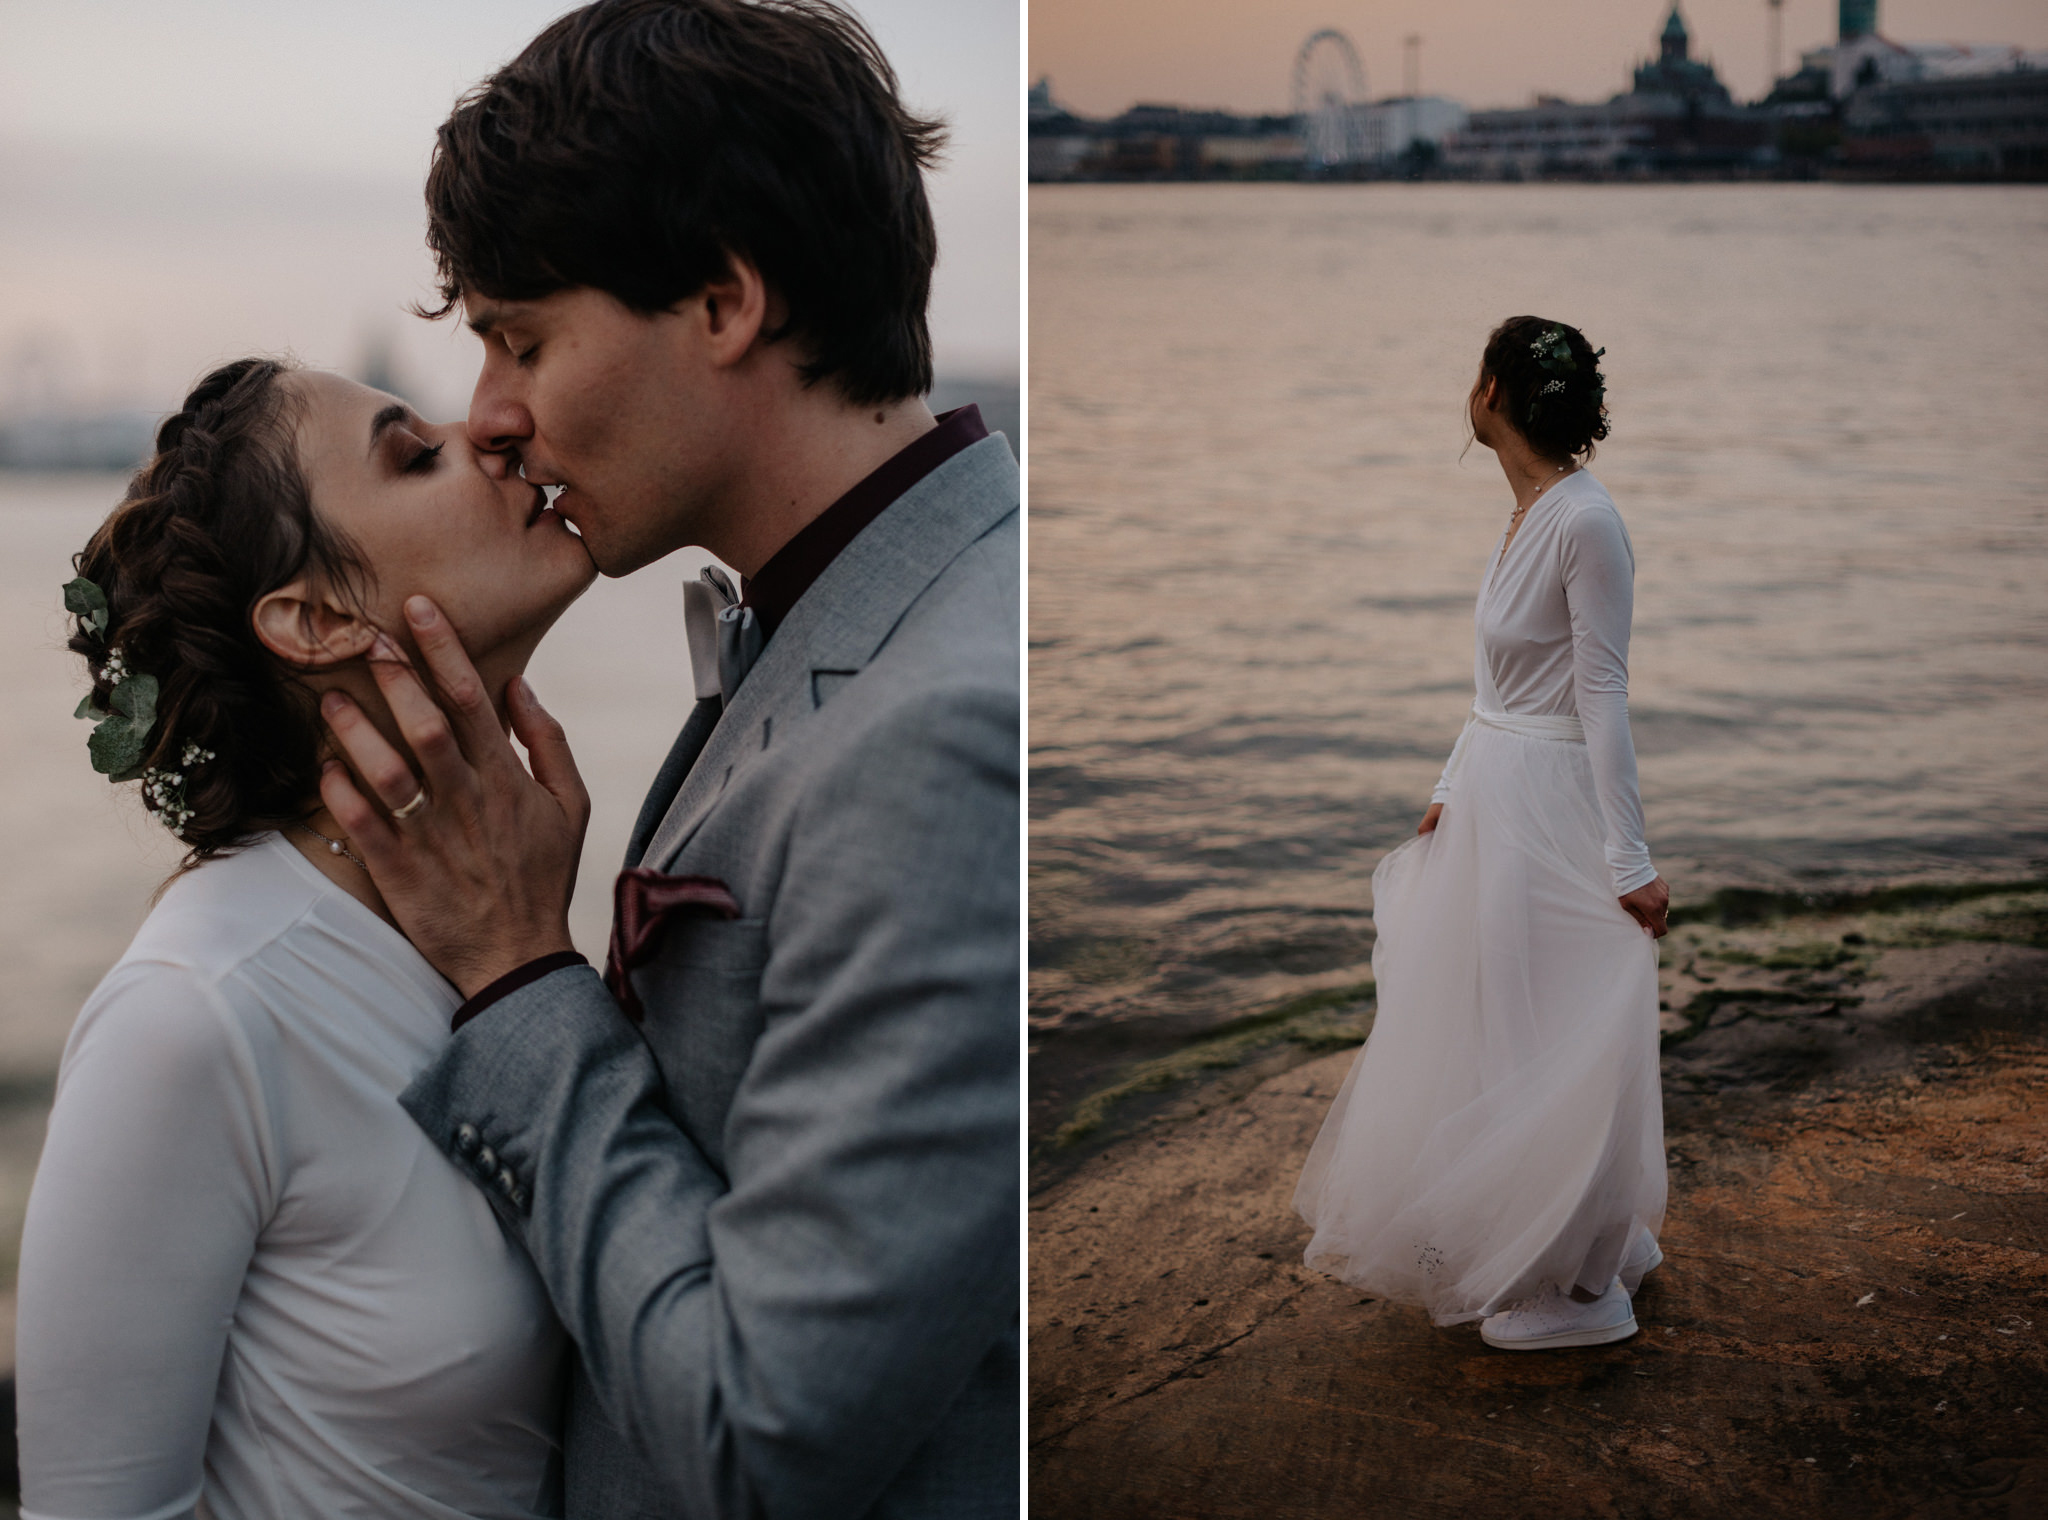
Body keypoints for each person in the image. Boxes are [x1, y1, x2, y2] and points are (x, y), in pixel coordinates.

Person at [315, 1, 1020, 1515]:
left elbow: (768, 1436)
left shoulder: (943, 733)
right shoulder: (851, 619)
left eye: (523, 339)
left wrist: (515, 973)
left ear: (721, 303)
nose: (492, 418)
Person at [18, 356, 591, 1515]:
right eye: (412, 453)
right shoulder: (195, 1011)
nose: (486, 428)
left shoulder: (493, 924)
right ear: (316, 618)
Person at [1294, 316, 1671, 1352]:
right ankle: (1544, 1235)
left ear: (1493, 393)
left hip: (1551, 803)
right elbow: (1494, 688)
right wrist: (1446, 784)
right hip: (1492, 795)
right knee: (1495, 1017)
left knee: (1552, 1025)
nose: (1466, 388)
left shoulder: (1586, 522)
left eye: (1474, 374)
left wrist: (1627, 861)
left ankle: (1583, 1281)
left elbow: (1599, 693)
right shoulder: (1523, 514)